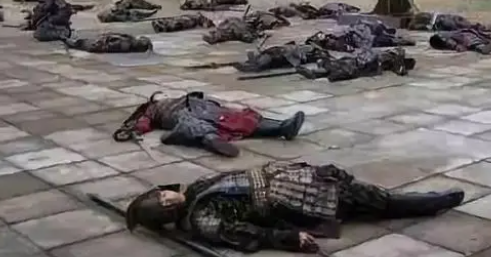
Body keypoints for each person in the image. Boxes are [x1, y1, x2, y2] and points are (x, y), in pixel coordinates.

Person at [125, 161, 464, 253]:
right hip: (297, 201)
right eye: (163, 202)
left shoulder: (195, 189)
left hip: (295, 178)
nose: (167, 195)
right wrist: (289, 239)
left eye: (162, 193)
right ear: (167, 212)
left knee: (366, 198)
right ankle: (432, 203)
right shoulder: (202, 218)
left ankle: (426, 201)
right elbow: (243, 232)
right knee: (373, 200)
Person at [113, 91, 305, 157]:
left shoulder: (186, 97)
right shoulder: (153, 108)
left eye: (163, 93)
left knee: (238, 119)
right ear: (154, 99)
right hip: (179, 115)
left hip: (206, 109)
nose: (164, 95)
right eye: (159, 95)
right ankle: (210, 139)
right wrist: (134, 129)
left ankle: (282, 127)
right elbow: (145, 123)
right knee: (192, 123)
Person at [63, 32, 153, 53]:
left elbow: (107, 46)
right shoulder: (129, 40)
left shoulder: (126, 44)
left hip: (96, 46)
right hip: (97, 45)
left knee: (83, 43)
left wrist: (103, 39)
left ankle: (71, 43)